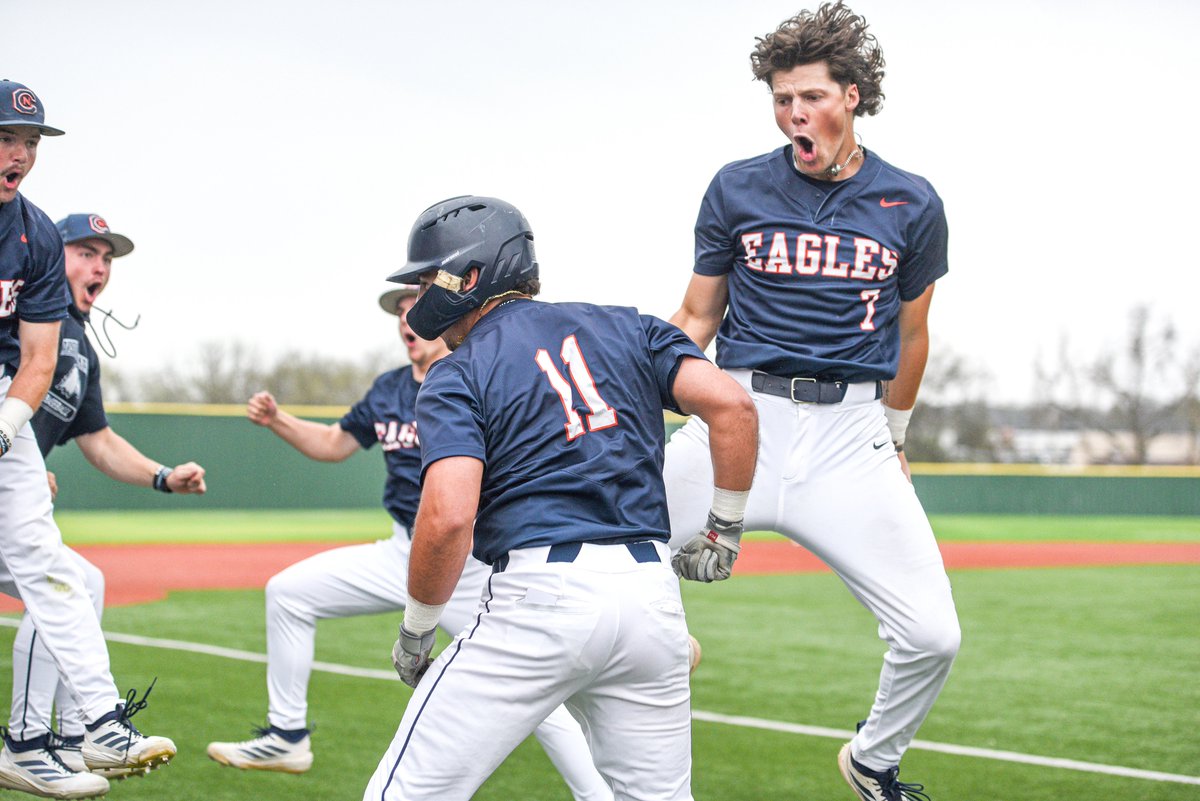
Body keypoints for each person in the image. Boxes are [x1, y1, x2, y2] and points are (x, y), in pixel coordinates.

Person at [363, 195, 758, 801]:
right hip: (653, 604)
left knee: (404, 795)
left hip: (540, 600)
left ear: (470, 276)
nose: (421, 293)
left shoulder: (457, 372)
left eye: (428, 277)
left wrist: (418, 628)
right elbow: (733, 405)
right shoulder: (632, 325)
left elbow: (447, 517)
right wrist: (724, 528)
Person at [662, 5, 961, 800]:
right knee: (599, 548)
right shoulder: (737, 187)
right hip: (740, 418)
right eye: (781, 98)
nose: (795, 113)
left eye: (811, 97)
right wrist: (637, 396)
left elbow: (914, 331)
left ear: (853, 96)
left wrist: (895, 434)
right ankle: (660, 661)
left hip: (852, 436)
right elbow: (696, 316)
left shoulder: (911, 201)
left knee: (933, 634)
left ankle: (873, 757)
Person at [207, 286, 613, 801]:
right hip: (401, 549)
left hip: (465, 562)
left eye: (414, 309)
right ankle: (287, 735)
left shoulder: (477, 372)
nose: (406, 318)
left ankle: (595, 794)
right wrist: (278, 420)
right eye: (400, 312)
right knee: (288, 593)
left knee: (530, 690)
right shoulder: (389, 388)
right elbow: (335, 444)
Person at [0, 80, 175, 800]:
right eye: (7, 137)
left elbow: (38, 364)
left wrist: (9, 436)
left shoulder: (33, 237)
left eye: (31, 143)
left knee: (61, 571)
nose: (19, 154)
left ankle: (85, 727)